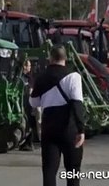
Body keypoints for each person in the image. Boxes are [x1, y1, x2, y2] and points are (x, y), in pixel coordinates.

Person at [29, 45, 85, 186]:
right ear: (65, 58)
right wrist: (81, 129)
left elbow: (33, 102)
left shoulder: (41, 77)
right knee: (73, 170)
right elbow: (77, 104)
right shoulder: (74, 76)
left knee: (49, 170)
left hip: (49, 129)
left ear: (50, 58)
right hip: (69, 128)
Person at [19, 59, 36, 151]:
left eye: (28, 65)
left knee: (29, 123)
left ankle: (29, 143)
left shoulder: (30, 78)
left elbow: (31, 88)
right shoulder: (18, 77)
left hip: (29, 103)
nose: (26, 67)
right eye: (25, 65)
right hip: (22, 103)